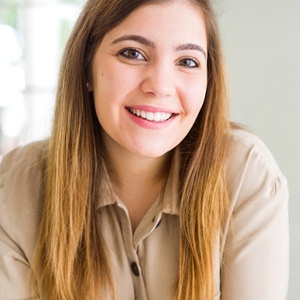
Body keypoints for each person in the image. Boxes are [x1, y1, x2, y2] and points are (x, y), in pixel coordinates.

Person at [0, 0, 289, 299]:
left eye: (187, 61)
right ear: (86, 66)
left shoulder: (246, 175)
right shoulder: (16, 185)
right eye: (132, 53)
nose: (160, 85)